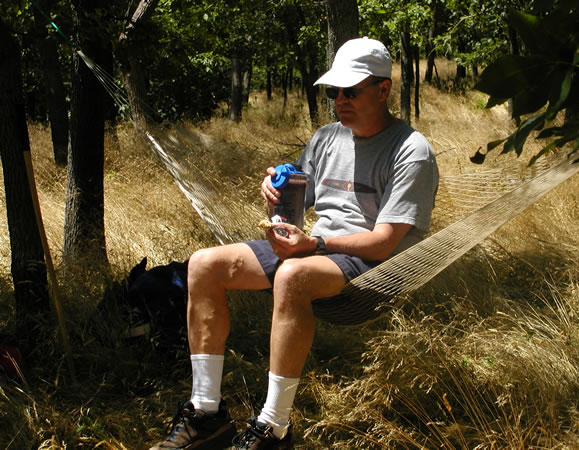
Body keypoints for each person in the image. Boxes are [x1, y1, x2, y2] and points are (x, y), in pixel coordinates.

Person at [149, 37, 439, 450]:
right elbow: (298, 200)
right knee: (203, 264)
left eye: (350, 91)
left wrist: (314, 245)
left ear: (383, 90)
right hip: (316, 248)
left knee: (292, 275)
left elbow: (384, 243)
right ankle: (206, 412)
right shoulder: (326, 138)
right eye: (334, 91)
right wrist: (276, 192)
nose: (340, 100)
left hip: (373, 265)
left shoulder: (411, 151)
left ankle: (274, 428)